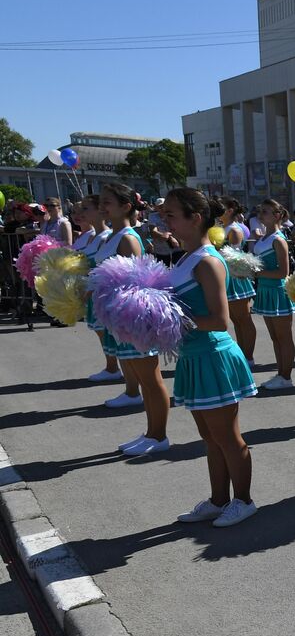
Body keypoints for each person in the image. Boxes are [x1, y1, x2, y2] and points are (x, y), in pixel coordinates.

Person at [161, 190, 259, 528]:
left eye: (172, 214)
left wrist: (168, 318)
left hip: (213, 356)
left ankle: (243, 501)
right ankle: (218, 500)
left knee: (227, 437)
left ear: (195, 218)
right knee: (209, 437)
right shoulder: (185, 257)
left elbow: (220, 320)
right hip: (193, 356)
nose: (165, 220)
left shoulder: (207, 261)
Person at [95, 184, 172, 454]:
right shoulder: (110, 237)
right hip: (119, 318)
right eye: (102, 202)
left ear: (126, 206)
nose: (103, 206)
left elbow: (137, 284)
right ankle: (150, 432)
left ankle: (159, 436)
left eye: (108, 202)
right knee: (141, 377)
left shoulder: (128, 238)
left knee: (151, 380)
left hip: (133, 317)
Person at [70, 195, 122, 384]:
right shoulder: (93, 236)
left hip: (100, 292)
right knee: (101, 332)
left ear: (100, 211)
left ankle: (115, 368)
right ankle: (111, 366)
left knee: (108, 333)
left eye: (86, 208)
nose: (81, 213)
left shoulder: (106, 236)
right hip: (92, 291)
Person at [250, 199, 295, 390]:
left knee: (284, 336)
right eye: (260, 211)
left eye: (266, 212)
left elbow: (283, 272)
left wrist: (256, 273)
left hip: (278, 291)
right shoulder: (262, 238)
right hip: (265, 290)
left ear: (277, 216)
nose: (261, 215)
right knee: (275, 337)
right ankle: (280, 374)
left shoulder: (278, 240)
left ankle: (286, 377)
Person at [217, 199, 258, 363]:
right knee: (236, 320)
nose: (219, 211)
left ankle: (248, 356)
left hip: (236, 278)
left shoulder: (234, 230)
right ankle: (242, 353)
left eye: (222, 208)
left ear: (230, 210)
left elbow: (235, 257)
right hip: (227, 277)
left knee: (244, 319)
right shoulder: (221, 228)